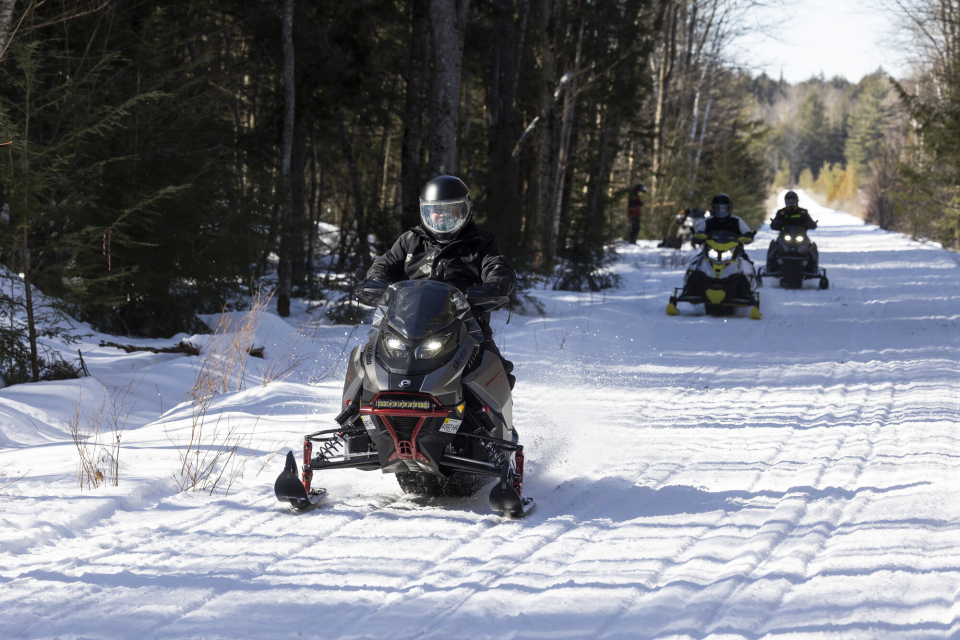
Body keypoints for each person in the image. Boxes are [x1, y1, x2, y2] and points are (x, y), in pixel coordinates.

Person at [366, 175, 516, 386]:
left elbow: (497, 266)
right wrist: (375, 281)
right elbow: (385, 264)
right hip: (405, 326)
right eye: (434, 210)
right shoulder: (410, 240)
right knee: (365, 359)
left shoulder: (481, 242)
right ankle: (354, 411)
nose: (441, 216)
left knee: (494, 369)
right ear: (424, 211)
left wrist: (496, 285)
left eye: (450, 210)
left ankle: (490, 418)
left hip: (465, 326)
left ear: (464, 210)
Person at [692, 193, 755, 260]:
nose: (721, 211)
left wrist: (747, 237)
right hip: (710, 253)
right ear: (714, 208)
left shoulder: (737, 220)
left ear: (729, 208)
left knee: (748, 266)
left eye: (724, 209)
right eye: (718, 209)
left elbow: (747, 233)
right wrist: (698, 237)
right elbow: (697, 233)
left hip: (735, 253)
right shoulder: (707, 221)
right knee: (694, 264)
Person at [767, 190, 819, 271]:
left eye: (793, 201)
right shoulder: (781, 212)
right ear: (786, 201)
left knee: (811, 246)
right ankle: (771, 265)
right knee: (774, 245)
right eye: (789, 201)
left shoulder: (803, 212)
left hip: (801, 236)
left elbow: (810, 221)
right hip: (784, 236)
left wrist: (812, 224)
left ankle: (813, 265)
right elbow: (774, 223)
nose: (791, 202)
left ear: (797, 201)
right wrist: (775, 224)